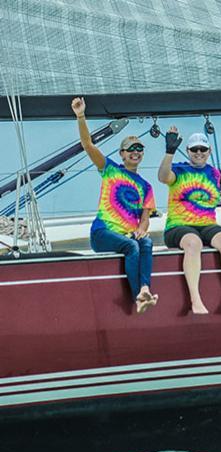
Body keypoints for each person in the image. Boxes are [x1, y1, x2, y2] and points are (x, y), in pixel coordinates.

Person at [71, 97, 157, 314]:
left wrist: (141, 230)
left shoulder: (146, 186)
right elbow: (87, 145)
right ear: (122, 154)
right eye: (130, 149)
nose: (135, 152)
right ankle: (139, 295)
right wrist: (81, 116)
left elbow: (145, 218)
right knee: (132, 246)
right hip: (103, 233)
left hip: (128, 234)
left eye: (139, 148)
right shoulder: (111, 169)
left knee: (145, 242)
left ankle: (145, 288)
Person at [158, 127, 221, 314]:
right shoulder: (179, 169)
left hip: (206, 223)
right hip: (178, 226)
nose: (199, 153)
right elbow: (163, 177)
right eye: (194, 149)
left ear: (209, 151)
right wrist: (169, 152)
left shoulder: (214, 173)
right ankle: (195, 299)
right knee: (193, 242)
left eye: (202, 149)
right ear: (188, 151)